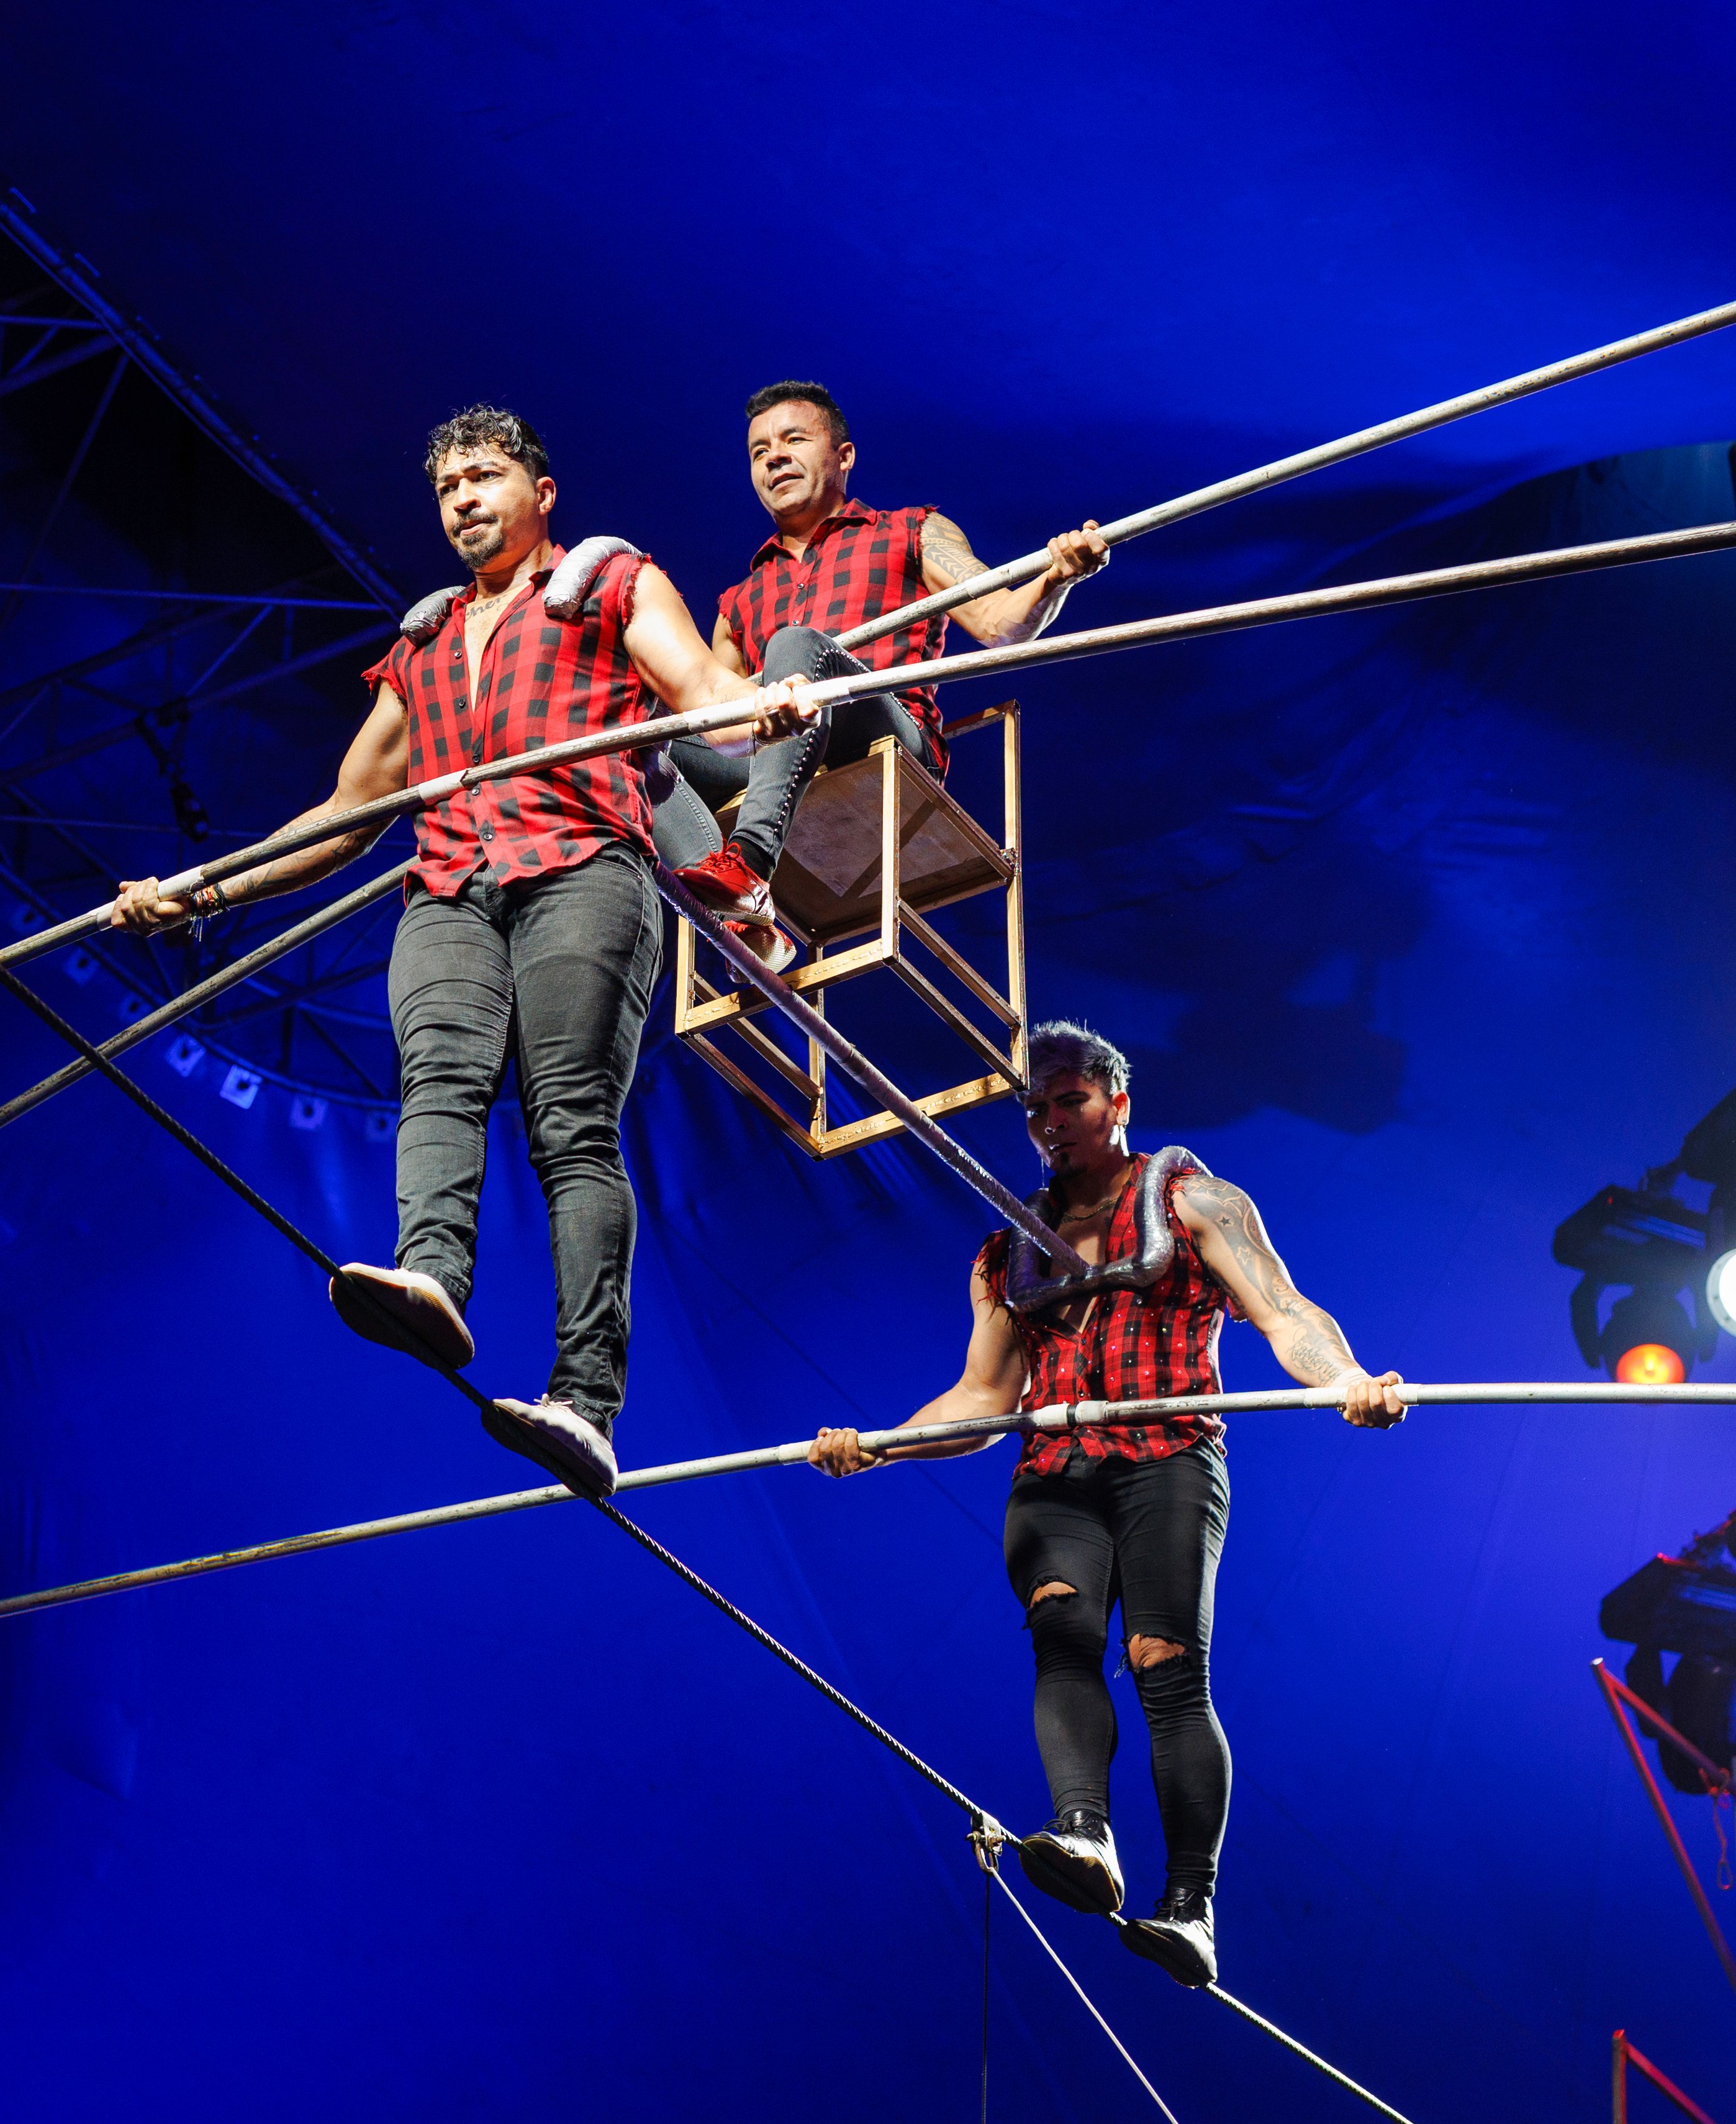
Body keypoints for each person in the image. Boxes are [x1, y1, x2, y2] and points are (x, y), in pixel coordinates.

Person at [115, 406, 807, 1501]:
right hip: (448, 880)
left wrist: (760, 706)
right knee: (436, 1075)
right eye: (446, 488)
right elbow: (345, 813)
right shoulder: (425, 639)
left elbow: (699, 693)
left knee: (568, 1121)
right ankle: (432, 1281)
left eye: (484, 476)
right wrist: (202, 889)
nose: (463, 500)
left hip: (580, 864)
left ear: (540, 489)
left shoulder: (608, 580)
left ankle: (586, 1401)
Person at [807, 1022, 1404, 1988]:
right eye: (1035, 1109)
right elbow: (979, 1399)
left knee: (1164, 1665)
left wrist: (1347, 1379)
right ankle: (1085, 1835)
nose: (1051, 1124)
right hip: (1055, 1470)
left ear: (1117, 1102)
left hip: (1164, 1457)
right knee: (1064, 1632)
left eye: (1069, 1102)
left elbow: (1283, 1311)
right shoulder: (1008, 1253)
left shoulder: (1193, 1203)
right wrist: (879, 1446)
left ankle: (1191, 1906)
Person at [658, 381, 1112, 963]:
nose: (774, 456)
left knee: (797, 647)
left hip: (883, 738)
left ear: (843, 456)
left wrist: (1057, 577)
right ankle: (742, 913)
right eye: (758, 450)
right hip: (779, 764)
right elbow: (719, 725)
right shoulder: (737, 602)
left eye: (794, 439)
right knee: (635, 732)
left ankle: (748, 860)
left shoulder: (912, 531)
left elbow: (998, 624)